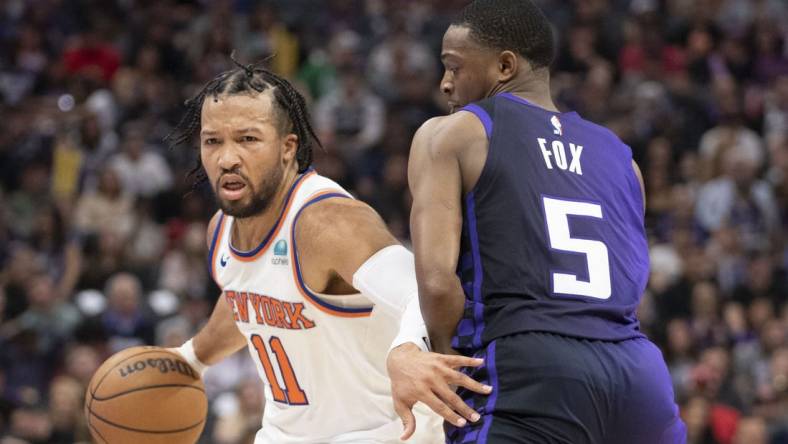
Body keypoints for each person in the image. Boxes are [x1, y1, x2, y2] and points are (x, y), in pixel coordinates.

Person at [388, 1, 687, 443]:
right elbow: (632, 278)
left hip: (529, 369)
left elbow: (436, 280)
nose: (445, 84)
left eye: (454, 67)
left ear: (505, 65)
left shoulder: (454, 134)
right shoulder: (623, 159)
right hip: (638, 375)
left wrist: (453, 366)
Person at [165, 60, 483, 443]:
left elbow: (421, 288)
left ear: (288, 148)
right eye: (213, 141)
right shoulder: (221, 231)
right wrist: (190, 359)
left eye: (248, 139)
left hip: (384, 434)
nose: (227, 158)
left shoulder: (327, 223)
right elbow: (246, 301)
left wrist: (409, 347)